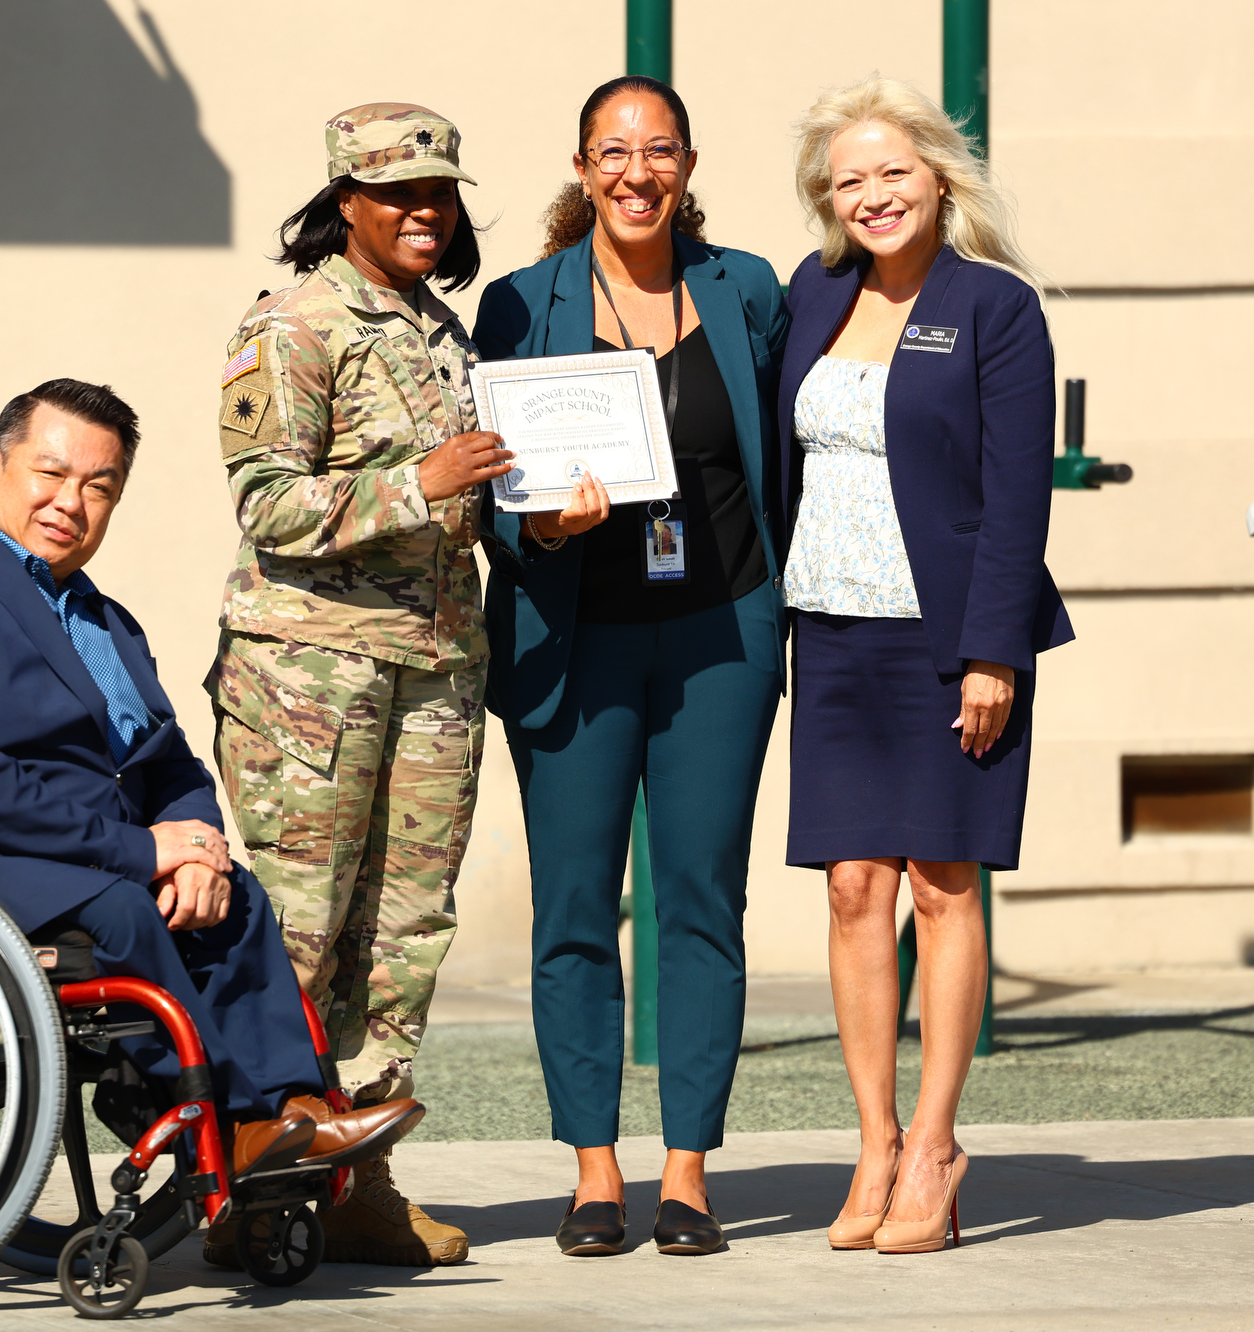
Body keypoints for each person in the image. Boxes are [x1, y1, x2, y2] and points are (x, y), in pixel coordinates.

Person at [0, 377, 426, 1184]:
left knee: (236, 899)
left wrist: (197, 851)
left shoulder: (104, 618)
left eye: (99, 486)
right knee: (123, 904)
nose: (69, 503)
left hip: (90, 858)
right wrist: (137, 850)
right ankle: (234, 1126)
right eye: (49, 474)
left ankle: (296, 1112)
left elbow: (168, 763)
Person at [473, 76, 790, 1258]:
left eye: (658, 150)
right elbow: (491, 487)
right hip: (575, 639)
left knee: (704, 901)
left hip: (721, 633)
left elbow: (785, 450)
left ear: (689, 165)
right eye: (613, 151)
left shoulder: (743, 288)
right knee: (571, 911)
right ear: (580, 165)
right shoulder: (519, 303)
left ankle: (691, 1174)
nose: (635, 172)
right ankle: (594, 1172)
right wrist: (538, 528)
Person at [205, 103, 511, 1267]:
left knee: (403, 936)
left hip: (434, 666)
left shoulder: (441, 332)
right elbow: (266, 503)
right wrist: (416, 482)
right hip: (311, 678)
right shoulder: (293, 323)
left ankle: (358, 1183)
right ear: (346, 203)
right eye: (397, 195)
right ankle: (250, 1190)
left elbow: (472, 498)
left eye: (438, 192)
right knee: (300, 932)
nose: (424, 213)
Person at [779, 78, 1073, 1254]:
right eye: (847, 180)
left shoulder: (993, 308)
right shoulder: (812, 295)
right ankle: (874, 1141)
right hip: (832, 632)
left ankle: (937, 1148)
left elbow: (1016, 498)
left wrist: (991, 653)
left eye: (890, 172)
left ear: (937, 180)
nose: (871, 195)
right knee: (853, 886)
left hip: (949, 642)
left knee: (942, 884)